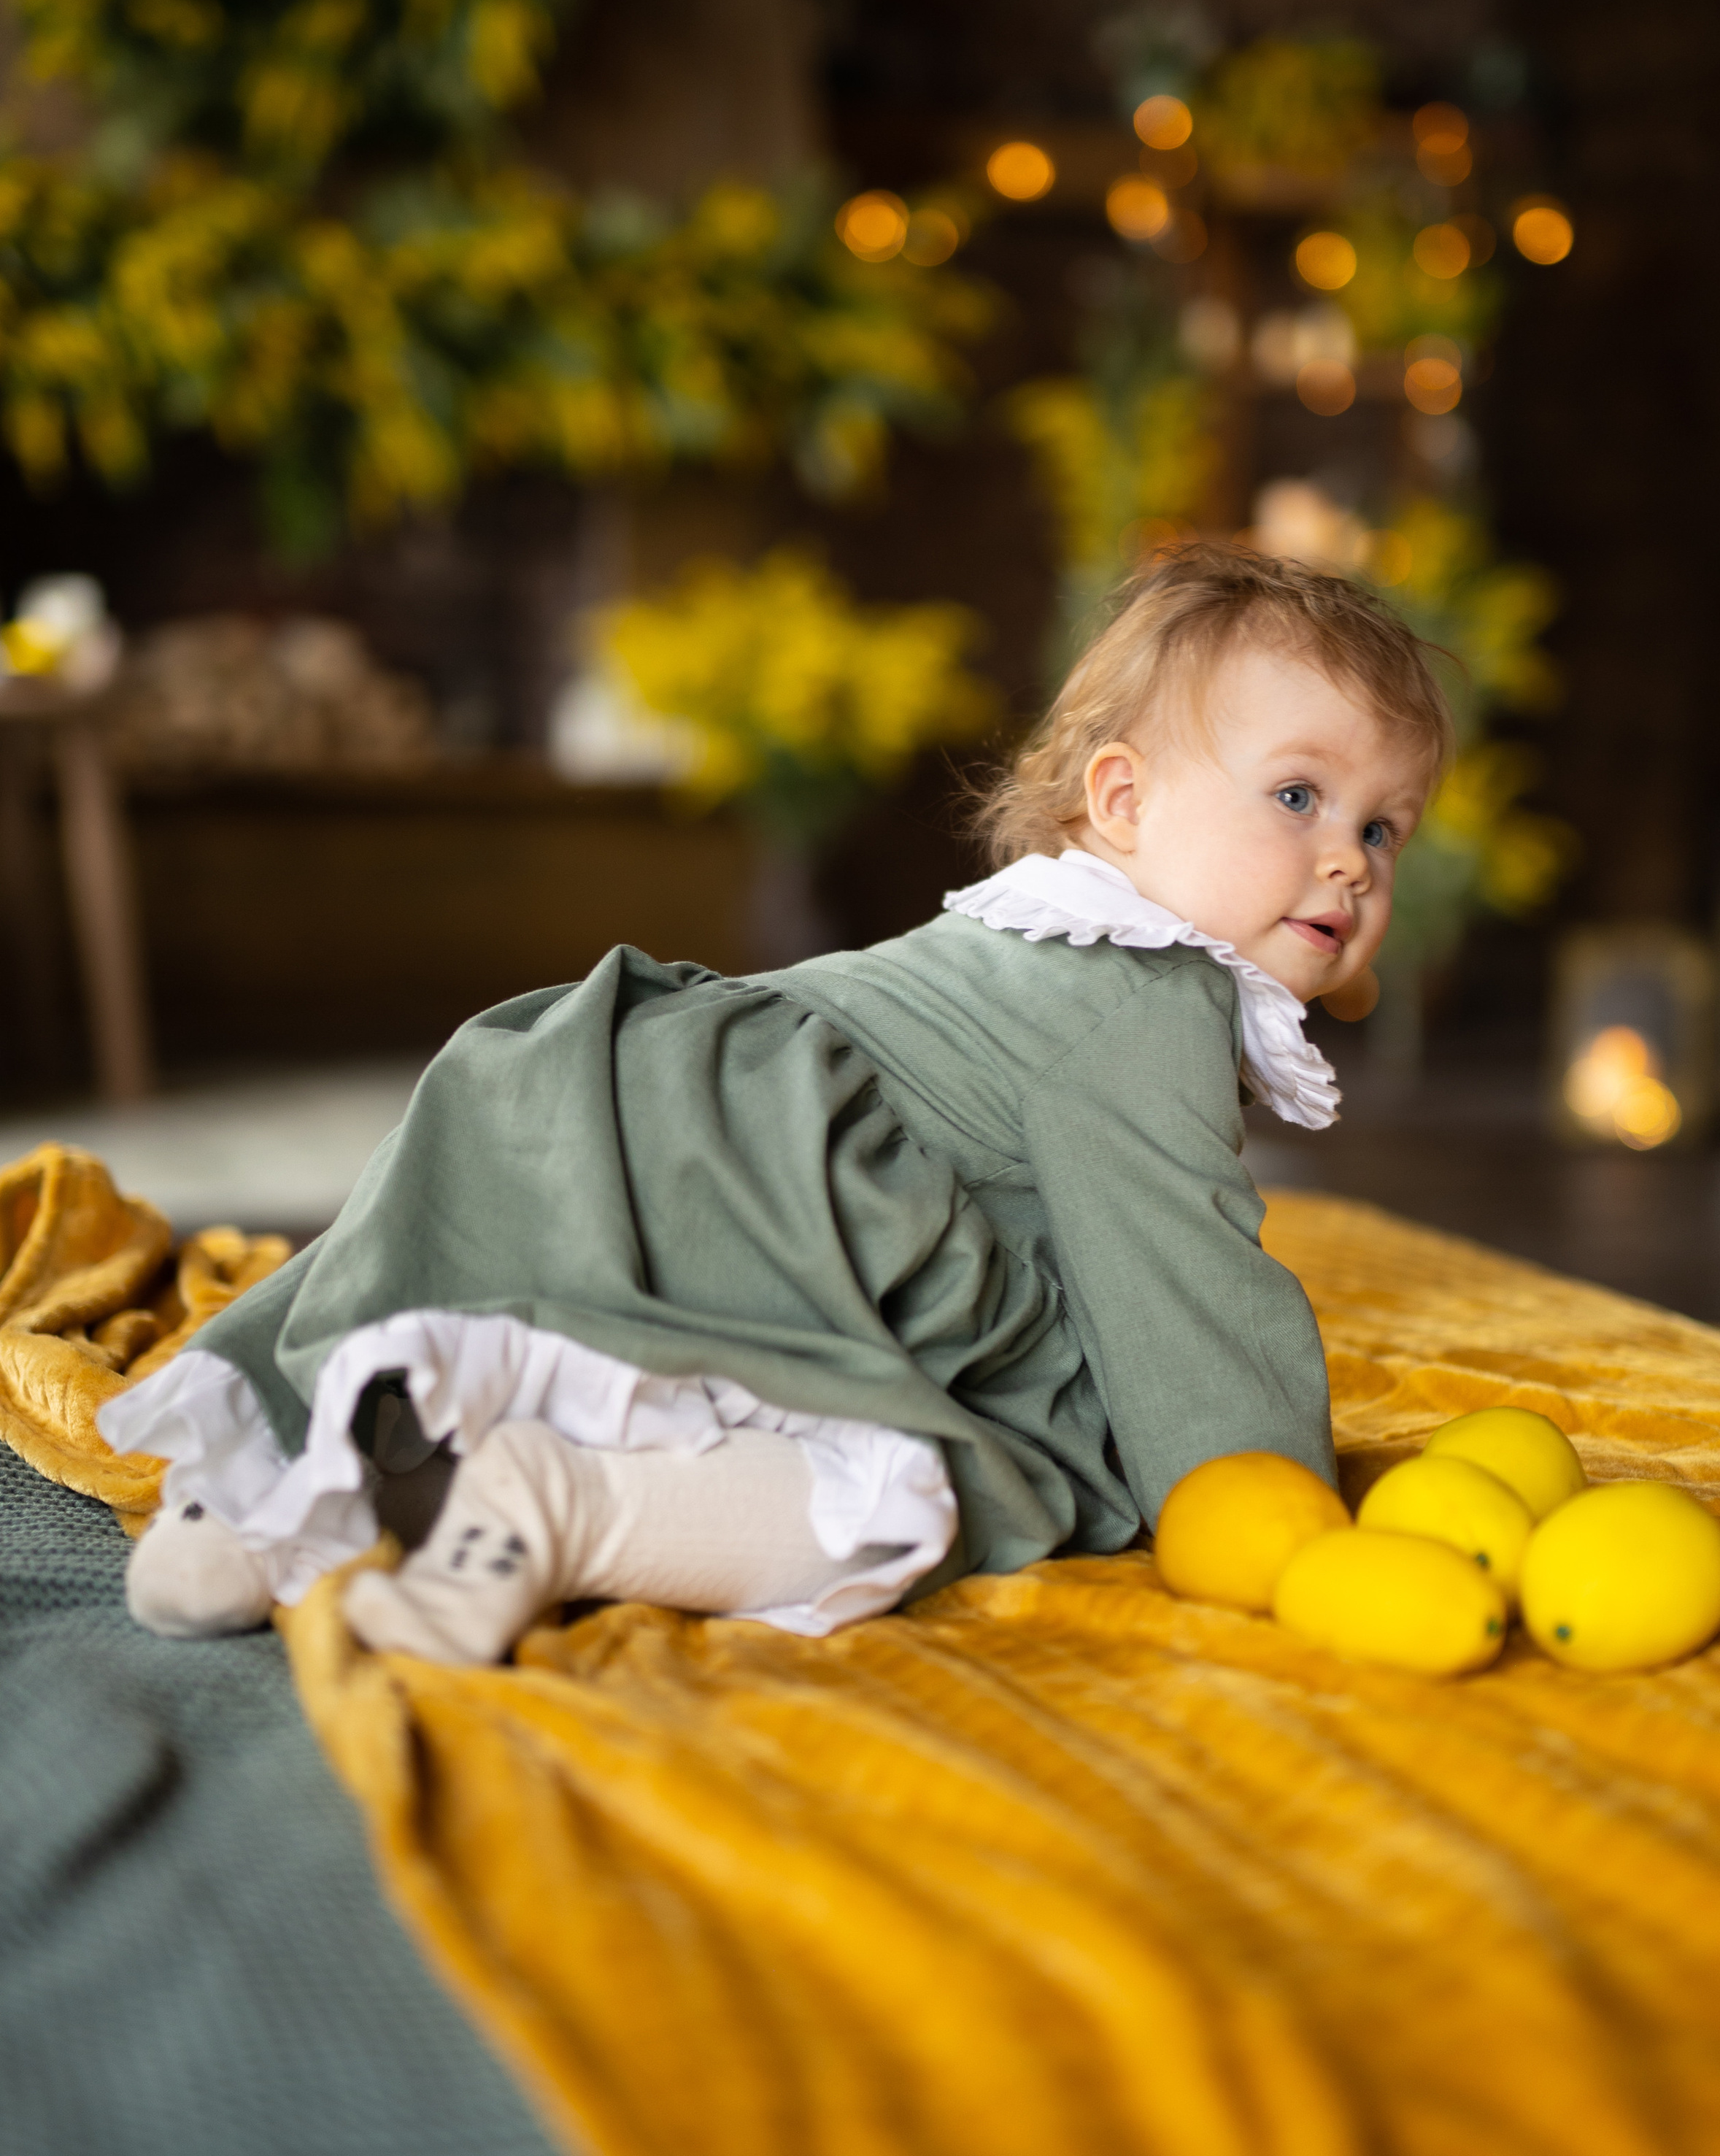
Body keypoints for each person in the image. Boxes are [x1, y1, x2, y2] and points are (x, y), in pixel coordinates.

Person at [105, 545, 1450, 1663]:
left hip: (609, 1081)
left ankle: (263, 1492)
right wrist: (1270, 1489)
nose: (1348, 861)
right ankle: (572, 1509)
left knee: (523, 1319)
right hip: (775, 1171)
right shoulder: (1150, 995)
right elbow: (1181, 1276)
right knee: (933, 1477)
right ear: (1122, 801)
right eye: (1299, 795)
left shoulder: (1034, 930)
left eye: (1383, 827)